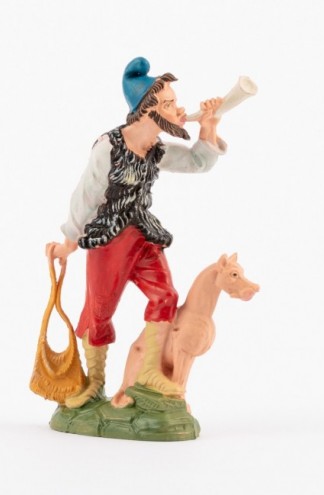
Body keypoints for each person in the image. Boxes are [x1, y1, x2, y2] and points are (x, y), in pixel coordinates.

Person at [46, 57, 226, 408]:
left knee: (166, 296)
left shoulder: (155, 149)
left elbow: (198, 162)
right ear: (147, 110)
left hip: (142, 235)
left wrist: (208, 126)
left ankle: (149, 371)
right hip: (109, 240)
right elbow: (86, 195)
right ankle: (95, 382)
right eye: (169, 104)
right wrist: (69, 242)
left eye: (175, 102)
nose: (178, 110)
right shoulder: (109, 147)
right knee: (99, 311)